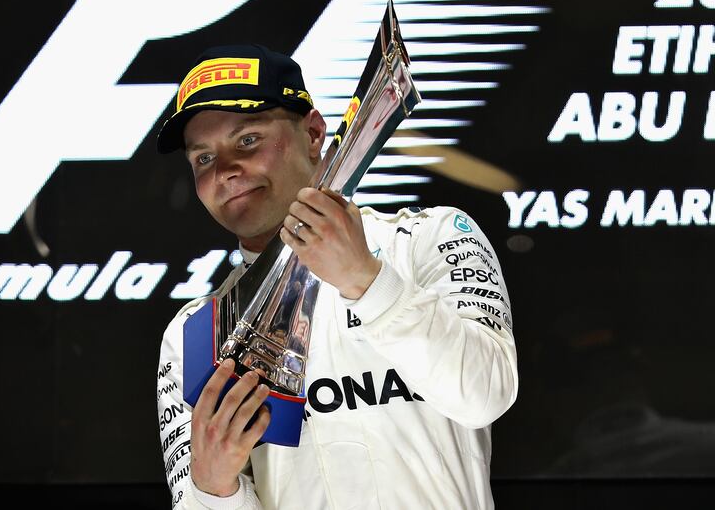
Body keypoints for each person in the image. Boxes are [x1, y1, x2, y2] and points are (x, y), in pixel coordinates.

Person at [156, 44, 518, 509]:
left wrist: (368, 281)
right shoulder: (196, 332)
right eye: (203, 158)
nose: (226, 170)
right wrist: (213, 488)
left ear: (313, 133)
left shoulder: (430, 238)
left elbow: (486, 396)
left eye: (247, 139)